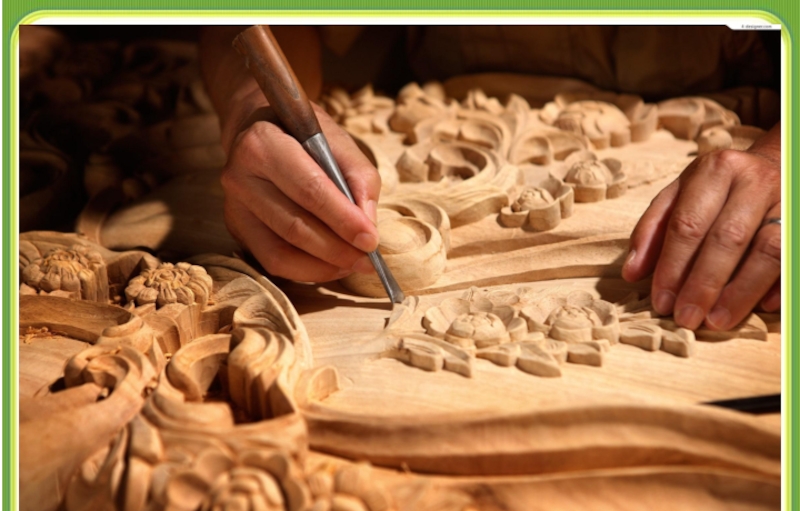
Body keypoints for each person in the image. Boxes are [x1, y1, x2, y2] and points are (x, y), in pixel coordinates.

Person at [199, 25, 781, 332]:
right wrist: (253, 108)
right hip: (437, 136)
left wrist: (781, 157)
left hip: (716, 149)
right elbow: (256, 23)